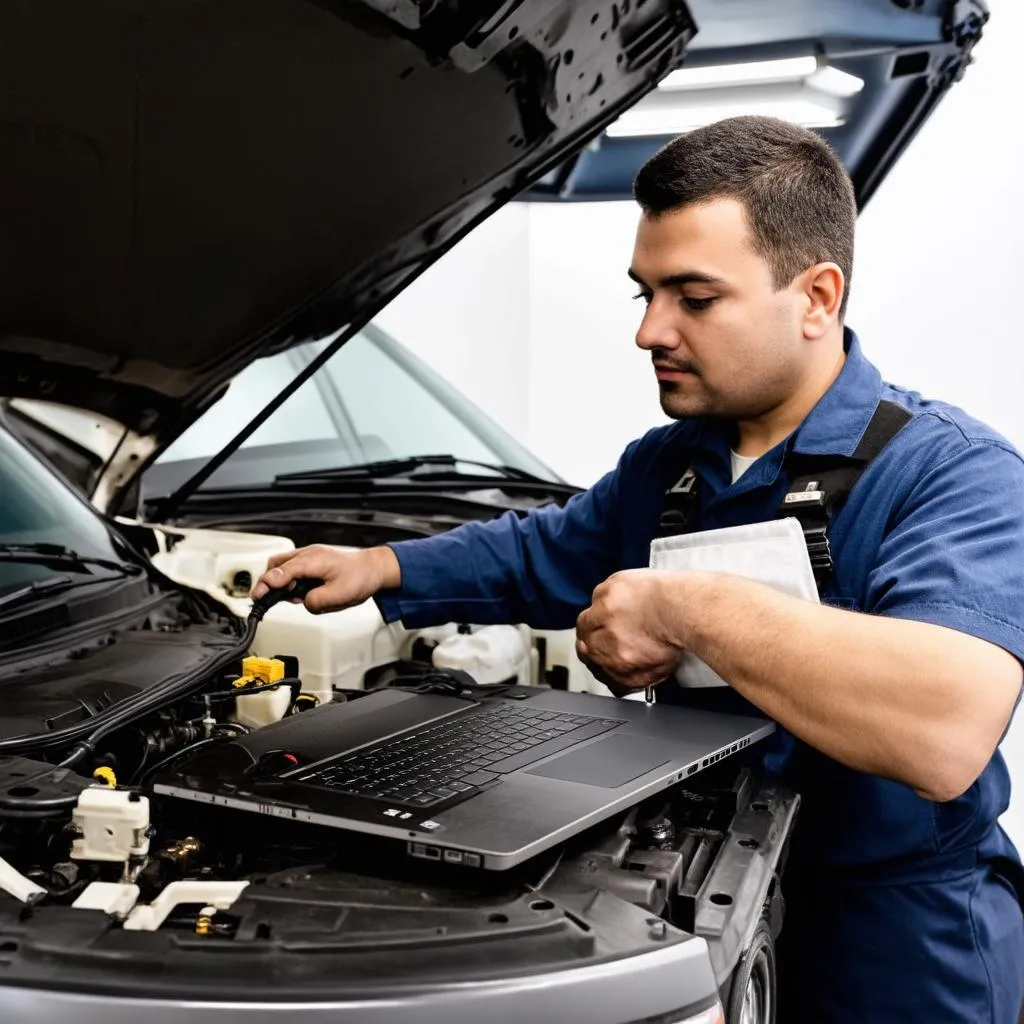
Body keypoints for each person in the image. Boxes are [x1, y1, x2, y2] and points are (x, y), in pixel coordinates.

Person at [252, 116, 1024, 1021]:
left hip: (899, 943)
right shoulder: (669, 465)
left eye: (694, 298)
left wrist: (687, 607)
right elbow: (541, 550)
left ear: (817, 298)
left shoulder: (951, 473)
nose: (651, 331)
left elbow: (943, 726)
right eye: (643, 295)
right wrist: (382, 564)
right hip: (703, 901)